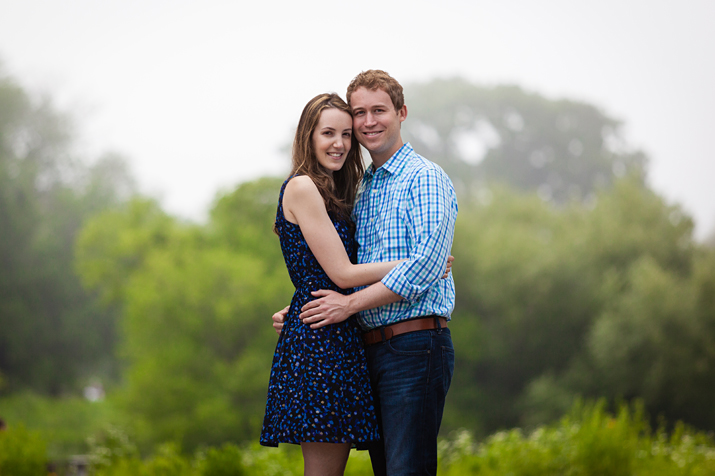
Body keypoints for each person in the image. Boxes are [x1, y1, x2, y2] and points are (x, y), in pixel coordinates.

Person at [274, 70, 458, 476]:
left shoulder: (423, 178)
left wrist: (348, 304)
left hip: (413, 344)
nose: (368, 122)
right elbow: (342, 270)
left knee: (406, 469)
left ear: (401, 112)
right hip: (362, 346)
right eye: (360, 112)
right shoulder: (361, 188)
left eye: (379, 110)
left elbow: (424, 264)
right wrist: (301, 307)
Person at [260, 92, 409, 476]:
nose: (340, 143)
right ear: (308, 136)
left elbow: (317, 272)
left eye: (346, 134)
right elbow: (341, 274)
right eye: (328, 133)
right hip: (321, 343)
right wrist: (414, 263)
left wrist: (294, 306)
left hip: (336, 333)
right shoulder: (303, 187)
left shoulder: (334, 191)